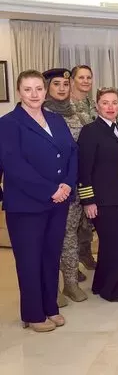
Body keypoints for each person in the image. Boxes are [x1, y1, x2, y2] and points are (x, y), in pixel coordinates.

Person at [0, 70, 77, 332]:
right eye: (28, 89)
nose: (34, 94)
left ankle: (50, 307)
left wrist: (67, 183)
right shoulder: (9, 123)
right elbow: (13, 165)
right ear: (19, 92)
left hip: (58, 202)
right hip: (26, 205)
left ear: (45, 92)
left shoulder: (56, 119)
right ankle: (33, 314)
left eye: (38, 89)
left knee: (50, 256)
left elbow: (71, 153)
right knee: (29, 260)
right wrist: (49, 190)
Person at [78, 87, 118, 303]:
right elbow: (84, 169)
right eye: (105, 102)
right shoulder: (90, 131)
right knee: (113, 244)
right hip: (102, 200)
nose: (111, 107)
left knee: (111, 243)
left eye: (114, 102)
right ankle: (111, 289)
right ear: (97, 106)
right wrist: (88, 200)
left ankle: (100, 283)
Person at [42, 68, 88, 304]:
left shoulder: (76, 114)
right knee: (52, 238)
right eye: (56, 84)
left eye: (65, 84)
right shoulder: (41, 114)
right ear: (47, 88)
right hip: (52, 189)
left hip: (76, 186)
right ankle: (52, 288)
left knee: (70, 236)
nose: (62, 88)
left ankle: (70, 283)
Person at [70, 65, 97, 275]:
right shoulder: (65, 105)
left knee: (89, 219)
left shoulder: (93, 104)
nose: (86, 81)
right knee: (72, 221)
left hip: (92, 168)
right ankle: (71, 266)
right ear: (73, 80)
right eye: (81, 77)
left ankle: (85, 253)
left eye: (89, 77)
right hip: (72, 168)